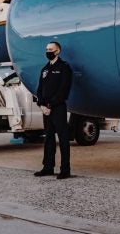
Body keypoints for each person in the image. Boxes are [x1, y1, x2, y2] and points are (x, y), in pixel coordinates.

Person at [34, 41, 73, 179]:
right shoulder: (45, 69)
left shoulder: (64, 67)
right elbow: (39, 89)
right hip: (46, 110)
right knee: (49, 139)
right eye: (46, 49)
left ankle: (65, 170)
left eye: (50, 49)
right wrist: (42, 105)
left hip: (58, 109)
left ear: (57, 51)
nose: (48, 51)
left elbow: (64, 90)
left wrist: (50, 105)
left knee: (63, 139)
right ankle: (48, 167)